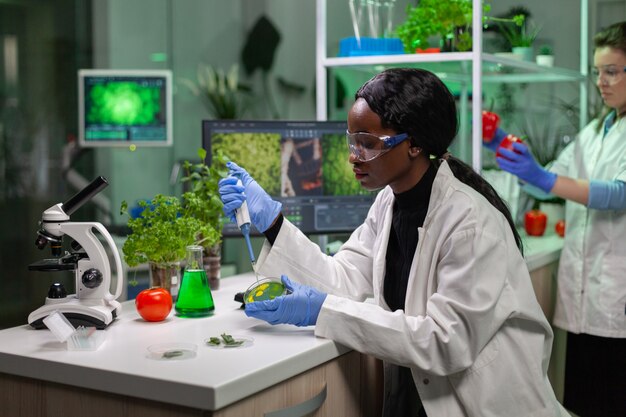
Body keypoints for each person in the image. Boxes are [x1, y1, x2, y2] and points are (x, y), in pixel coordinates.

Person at [219, 68, 568, 417]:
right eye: (352, 141)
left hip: (484, 405)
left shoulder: (469, 222)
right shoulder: (389, 203)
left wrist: (320, 309)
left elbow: (445, 343)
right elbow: (341, 280)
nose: (354, 156)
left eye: (368, 144)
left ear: (414, 143)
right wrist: (273, 223)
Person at [483, 22, 626, 417]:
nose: (602, 82)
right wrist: (513, 155)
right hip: (584, 298)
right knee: (578, 401)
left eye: (612, 71)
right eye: (598, 72)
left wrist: (545, 177)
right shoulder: (597, 129)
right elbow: (552, 183)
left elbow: (619, 193)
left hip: (617, 297)